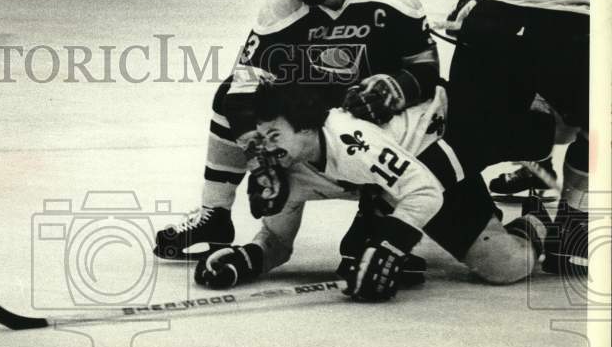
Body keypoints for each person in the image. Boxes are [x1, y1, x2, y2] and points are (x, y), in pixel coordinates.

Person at [154, 0, 439, 261]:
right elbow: (240, 91)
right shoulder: (281, 9)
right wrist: (260, 162)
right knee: (226, 97)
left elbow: (426, 72)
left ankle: (376, 208)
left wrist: (395, 88)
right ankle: (215, 214)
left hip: (371, 105)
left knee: (421, 114)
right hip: (314, 103)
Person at [192, 81, 545, 302]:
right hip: (393, 180)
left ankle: (543, 218)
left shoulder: (353, 144)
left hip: (441, 137)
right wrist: (246, 260)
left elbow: (423, 192)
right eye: (262, 138)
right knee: (381, 206)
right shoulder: (289, 168)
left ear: (306, 129)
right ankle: (374, 217)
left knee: (505, 264)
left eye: (274, 137)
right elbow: (277, 242)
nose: (267, 151)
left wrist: (389, 246)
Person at [444, 0, 590, 276]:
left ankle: (468, 215)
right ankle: (572, 238)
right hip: (566, 26)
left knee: (462, 133)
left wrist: (470, 3)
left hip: (490, 20)